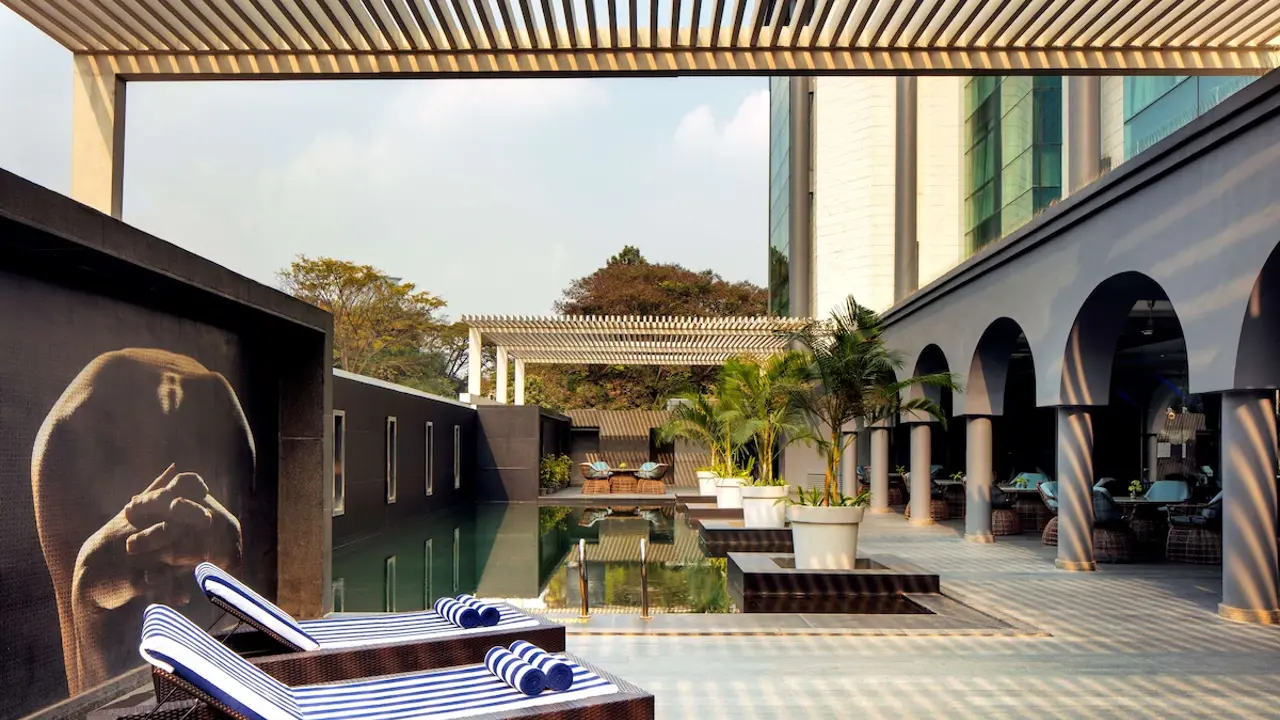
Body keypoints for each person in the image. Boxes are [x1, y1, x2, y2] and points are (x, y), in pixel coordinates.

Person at [31, 348, 254, 695]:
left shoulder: (81, 417)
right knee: (227, 609)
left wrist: (88, 586)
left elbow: (88, 687)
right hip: (215, 403)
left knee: (92, 606)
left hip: (93, 404)